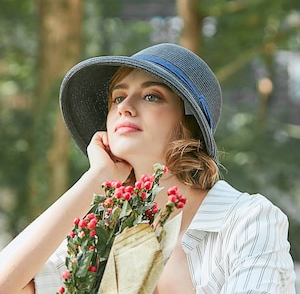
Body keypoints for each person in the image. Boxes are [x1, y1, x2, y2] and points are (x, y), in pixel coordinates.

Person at [0, 43, 296, 293]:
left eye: (152, 95)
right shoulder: (103, 231)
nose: (124, 107)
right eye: (117, 97)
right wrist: (96, 178)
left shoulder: (248, 220)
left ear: (189, 126)